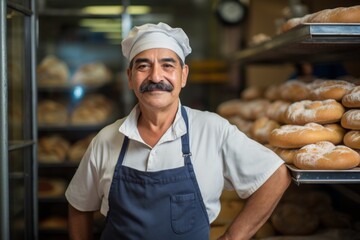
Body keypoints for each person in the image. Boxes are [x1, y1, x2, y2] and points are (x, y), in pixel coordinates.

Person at [65, 22, 291, 240]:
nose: (155, 77)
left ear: (183, 75)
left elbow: (275, 175)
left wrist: (233, 237)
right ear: (130, 78)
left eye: (167, 65)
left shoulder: (212, 130)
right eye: (143, 66)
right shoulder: (106, 139)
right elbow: (79, 205)